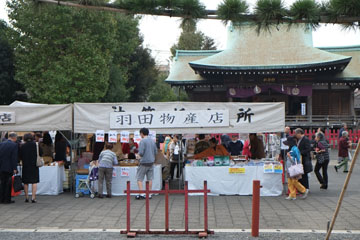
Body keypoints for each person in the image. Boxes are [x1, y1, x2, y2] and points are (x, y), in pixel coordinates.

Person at [283, 136, 309, 200]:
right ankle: (292, 194)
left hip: (294, 167)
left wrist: (290, 157)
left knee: (294, 181)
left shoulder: (294, 149)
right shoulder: (292, 148)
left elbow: (298, 158)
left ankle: (304, 190)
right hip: (290, 168)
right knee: (290, 182)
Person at [136, 128, 157, 200]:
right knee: (150, 179)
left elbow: (141, 152)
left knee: (139, 178)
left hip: (144, 162)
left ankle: (142, 193)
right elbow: (155, 151)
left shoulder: (142, 141)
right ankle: (149, 194)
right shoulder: (152, 141)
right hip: (151, 162)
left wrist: (138, 156)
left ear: (142, 133)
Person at [20, 133, 42, 203]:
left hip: (25, 165)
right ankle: (33, 197)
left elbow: (20, 156)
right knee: (34, 181)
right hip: (34, 165)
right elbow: (41, 153)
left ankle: (26, 197)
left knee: (26, 182)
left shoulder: (22, 146)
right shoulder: (36, 145)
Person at [0, 132, 18, 204]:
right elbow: (14, 158)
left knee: (2, 183)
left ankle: (1, 199)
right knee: (8, 184)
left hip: (1, 167)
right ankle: (7, 199)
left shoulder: (1, 144)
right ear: (14, 138)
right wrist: (14, 168)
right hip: (9, 167)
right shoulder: (14, 145)